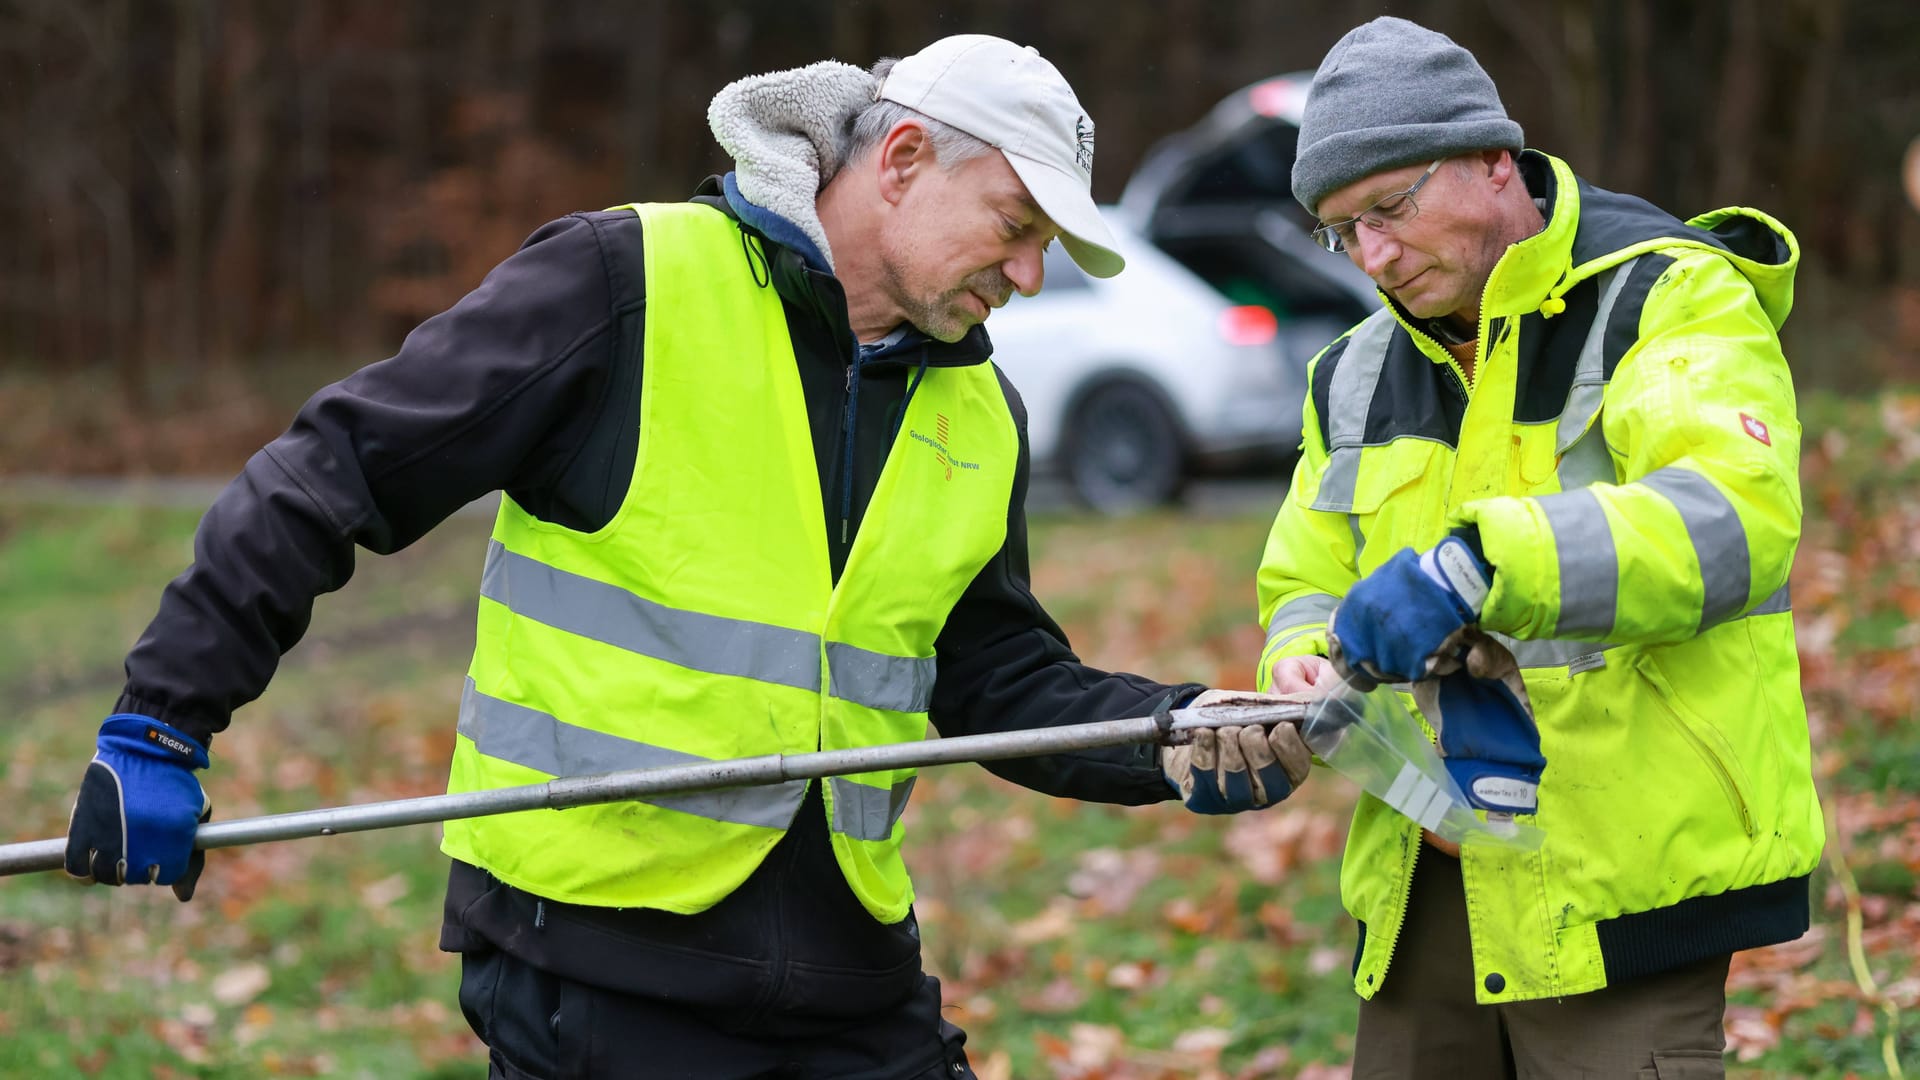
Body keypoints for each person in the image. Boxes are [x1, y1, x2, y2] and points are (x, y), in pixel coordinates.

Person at [61, 34, 1314, 1080]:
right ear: (903, 159)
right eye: (1016, 225)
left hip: (847, 972)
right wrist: (162, 724)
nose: (1032, 276)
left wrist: (1173, 731)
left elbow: (993, 678)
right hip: (596, 971)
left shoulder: (981, 414)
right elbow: (329, 475)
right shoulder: (623, 285)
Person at [1253, 16, 1821, 1080]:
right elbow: (1303, 576)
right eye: (1341, 231)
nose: (1372, 255)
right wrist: (1296, 661)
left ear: (1491, 160)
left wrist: (1478, 567)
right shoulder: (1353, 372)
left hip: (1625, 885)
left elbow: (1734, 520)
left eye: (1390, 207)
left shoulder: (1669, 292)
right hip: (1421, 888)